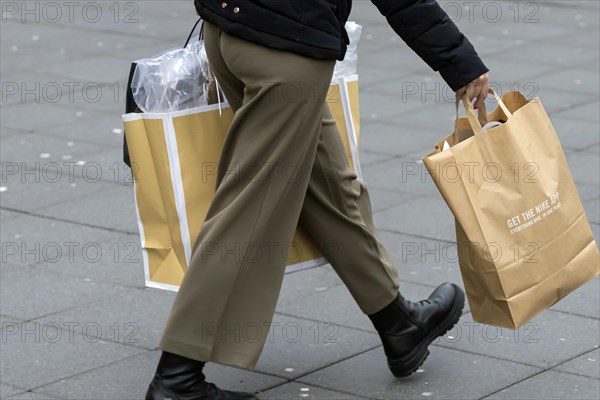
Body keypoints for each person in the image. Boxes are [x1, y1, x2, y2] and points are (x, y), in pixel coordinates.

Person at [145, 1, 490, 399]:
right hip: (286, 49)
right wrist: (458, 59)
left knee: (328, 185)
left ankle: (399, 323)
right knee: (248, 211)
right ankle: (178, 379)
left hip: (229, 32)